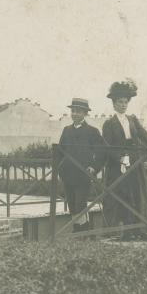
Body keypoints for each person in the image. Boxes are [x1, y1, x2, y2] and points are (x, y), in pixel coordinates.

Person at [101, 79, 147, 240]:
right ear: (114, 103)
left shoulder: (132, 120)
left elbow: (145, 136)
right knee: (122, 195)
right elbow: (107, 147)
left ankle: (137, 229)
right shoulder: (109, 124)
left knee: (137, 193)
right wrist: (120, 159)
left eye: (125, 102)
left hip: (134, 160)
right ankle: (124, 230)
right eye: (120, 102)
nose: (123, 105)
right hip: (117, 164)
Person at [58, 98, 105, 233]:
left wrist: (94, 168)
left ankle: (82, 233)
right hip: (68, 174)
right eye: (73, 111)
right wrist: (60, 169)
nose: (75, 114)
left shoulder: (92, 131)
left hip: (83, 174)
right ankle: (79, 230)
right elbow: (60, 151)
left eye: (78, 111)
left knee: (80, 204)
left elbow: (101, 152)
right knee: (72, 204)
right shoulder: (66, 130)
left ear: (85, 113)